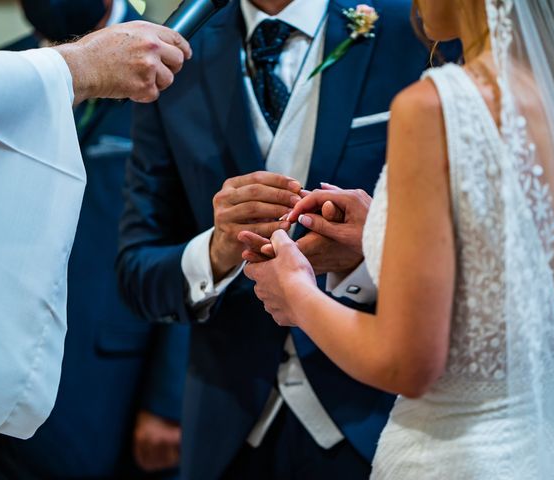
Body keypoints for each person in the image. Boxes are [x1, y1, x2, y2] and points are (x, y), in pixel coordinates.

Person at [243, 0, 554, 478]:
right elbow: (525, 275)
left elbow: (407, 365)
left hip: (456, 459)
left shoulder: (436, 106)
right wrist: (389, 236)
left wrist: (295, 292)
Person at [115, 0, 430, 478]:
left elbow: (464, 244)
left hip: (376, 420)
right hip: (226, 434)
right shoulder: (177, 50)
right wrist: (217, 252)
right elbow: (137, 272)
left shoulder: (415, 28)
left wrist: (366, 260)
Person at [0, 1, 188, 478]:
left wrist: (171, 397)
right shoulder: (4, 71)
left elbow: (200, 226)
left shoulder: (172, 62)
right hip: (8, 371)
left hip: (121, 372)